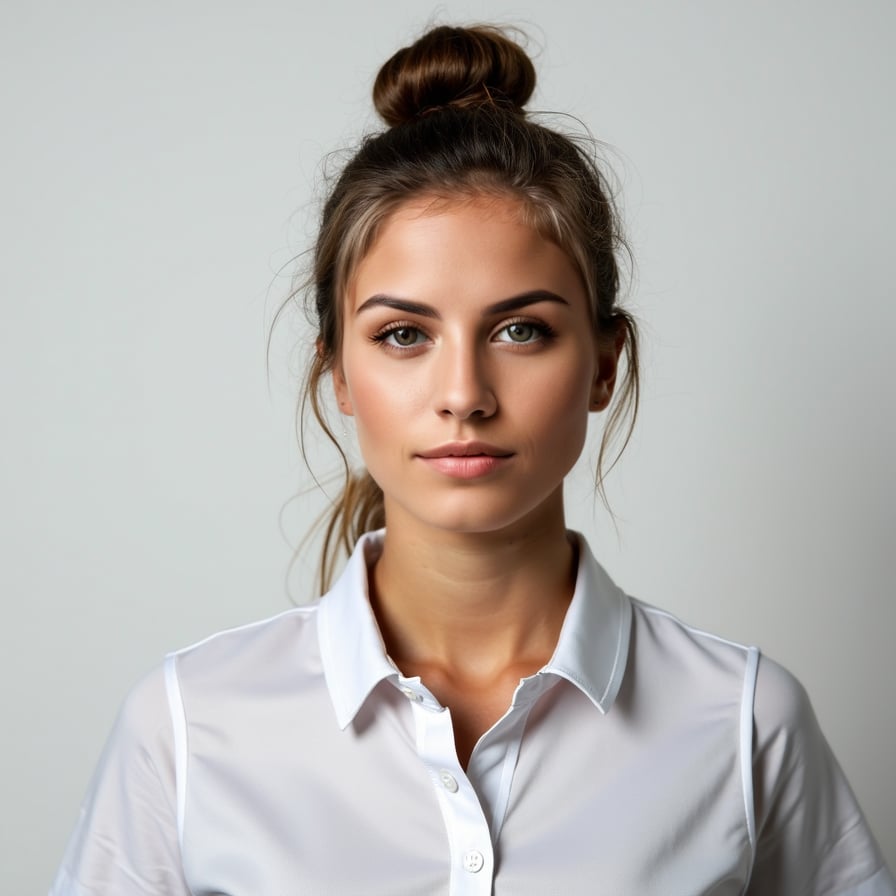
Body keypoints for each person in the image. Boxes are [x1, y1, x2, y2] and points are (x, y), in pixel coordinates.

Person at [51, 24, 893, 896]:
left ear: (604, 364)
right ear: (338, 372)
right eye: (404, 335)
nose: (464, 393)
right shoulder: (188, 727)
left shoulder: (744, 721)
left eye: (520, 330)